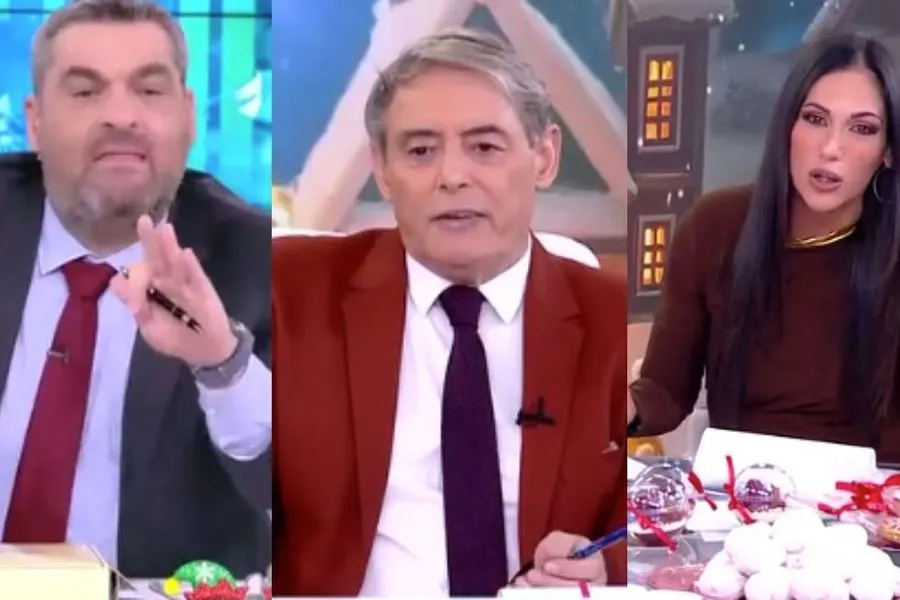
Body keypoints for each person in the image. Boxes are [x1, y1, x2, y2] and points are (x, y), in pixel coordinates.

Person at [272, 28, 627, 596]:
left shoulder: (608, 316)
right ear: (382, 171)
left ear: (545, 156)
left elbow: (653, 521)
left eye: (485, 147)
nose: (452, 176)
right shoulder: (291, 292)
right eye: (420, 151)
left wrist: (607, 567)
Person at [0, 0, 271, 579]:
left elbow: (310, 487)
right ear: (35, 121)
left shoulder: (258, 261)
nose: (121, 115)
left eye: (149, 90)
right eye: (85, 91)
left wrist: (222, 363)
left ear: (189, 116)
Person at [628, 34, 900, 462]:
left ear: (888, 152)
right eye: (814, 119)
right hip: (735, 487)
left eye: (862, 129)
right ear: (787, 126)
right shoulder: (714, 227)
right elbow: (665, 391)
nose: (831, 148)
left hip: (866, 493)